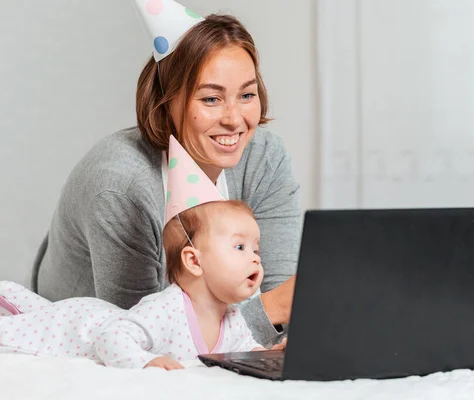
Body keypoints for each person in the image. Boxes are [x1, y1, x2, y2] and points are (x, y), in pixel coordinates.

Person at [31, 1, 300, 347]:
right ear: (165, 100)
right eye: (211, 99)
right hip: (74, 348)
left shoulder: (264, 158)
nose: (235, 119)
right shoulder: (119, 186)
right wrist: (272, 310)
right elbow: (141, 343)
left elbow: (283, 310)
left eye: (246, 94)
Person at [1, 140, 286, 369]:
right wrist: (146, 361)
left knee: (30, 309)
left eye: (255, 249)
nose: (255, 258)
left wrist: (271, 355)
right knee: (18, 327)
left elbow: (247, 352)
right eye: (240, 247)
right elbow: (110, 338)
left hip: (101, 319)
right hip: (80, 324)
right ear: (194, 261)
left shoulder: (233, 318)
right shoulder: (167, 308)